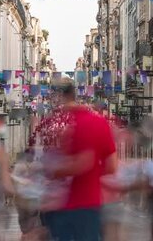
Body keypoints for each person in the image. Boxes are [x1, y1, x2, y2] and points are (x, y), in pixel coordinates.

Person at [42, 77, 117, 241]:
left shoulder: (56, 123)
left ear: (59, 97)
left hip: (62, 206)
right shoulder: (99, 122)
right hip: (90, 203)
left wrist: (54, 171)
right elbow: (112, 166)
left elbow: (84, 162)